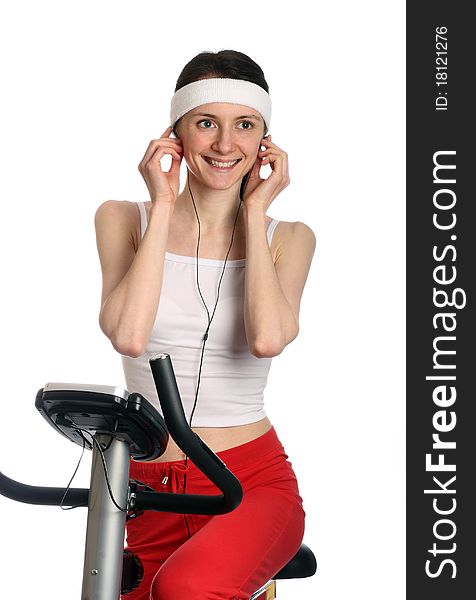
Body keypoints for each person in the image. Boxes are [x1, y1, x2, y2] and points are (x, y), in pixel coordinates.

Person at [94, 49, 316, 600]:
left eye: (244, 126)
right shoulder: (124, 218)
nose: (224, 145)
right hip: (143, 488)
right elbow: (128, 335)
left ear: (265, 142)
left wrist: (255, 214)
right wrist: (163, 204)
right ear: (176, 134)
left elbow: (267, 338)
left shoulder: (289, 238)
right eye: (205, 124)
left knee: (188, 589)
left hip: (250, 482)